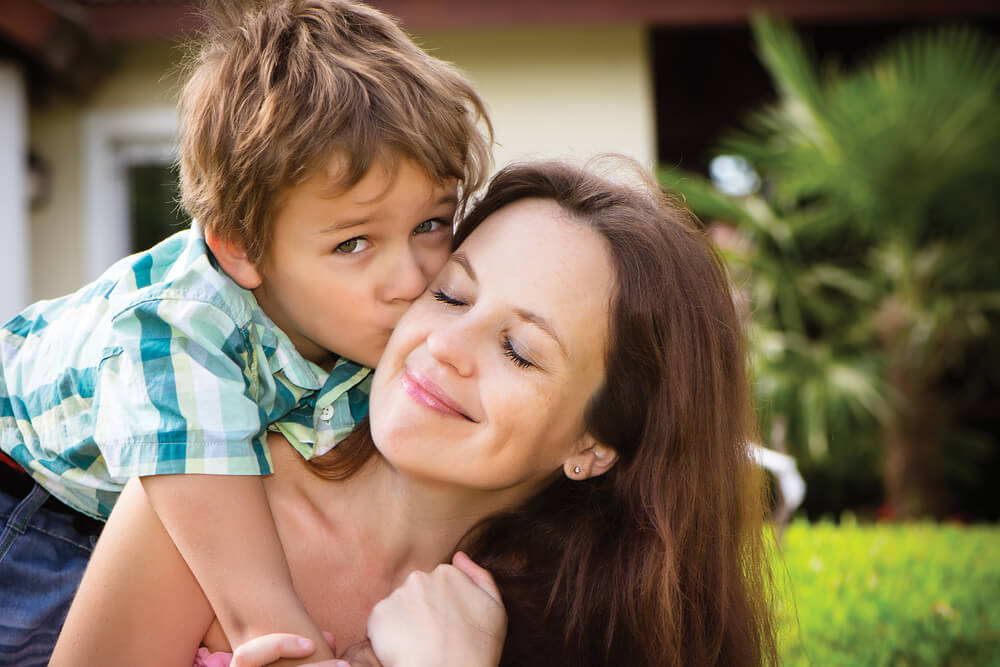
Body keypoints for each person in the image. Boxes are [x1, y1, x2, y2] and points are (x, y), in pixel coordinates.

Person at [50, 159, 778, 666]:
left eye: (519, 350)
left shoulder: (585, 619)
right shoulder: (206, 490)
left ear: (596, 442)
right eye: (452, 295)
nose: (443, 346)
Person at [0, 1, 490, 663]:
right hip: (26, 509)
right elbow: (250, 596)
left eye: (431, 222)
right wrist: (293, 644)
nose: (411, 275)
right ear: (241, 248)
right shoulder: (181, 325)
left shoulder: (355, 317)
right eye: (353, 243)